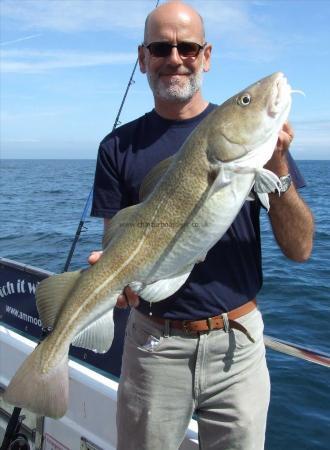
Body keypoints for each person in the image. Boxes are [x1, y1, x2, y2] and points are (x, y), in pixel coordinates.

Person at [89, 1, 314, 449]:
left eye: (188, 47)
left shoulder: (256, 146)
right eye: (161, 47)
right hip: (153, 346)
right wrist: (117, 281)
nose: (175, 58)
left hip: (239, 348)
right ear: (143, 58)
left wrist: (278, 161)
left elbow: (300, 249)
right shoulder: (117, 146)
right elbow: (117, 240)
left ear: (206, 56)